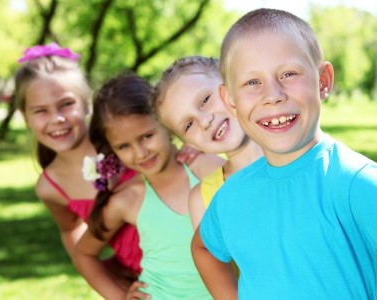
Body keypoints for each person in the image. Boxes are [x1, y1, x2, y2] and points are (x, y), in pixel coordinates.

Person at [191, 8, 377, 299]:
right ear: (229, 99)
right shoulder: (233, 194)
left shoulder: (353, 182)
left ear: (323, 80)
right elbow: (204, 249)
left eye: (288, 74)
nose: (272, 95)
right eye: (252, 82)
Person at [72, 73, 223, 299]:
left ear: (165, 123)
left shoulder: (206, 168)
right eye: (124, 146)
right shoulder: (129, 198)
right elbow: (83, 254)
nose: (140, 153)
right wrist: (120, 296)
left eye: (147, 136)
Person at [14, 43, 143, 283]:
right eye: (41, 110)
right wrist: (113, 286)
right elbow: (71, 231)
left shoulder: (125, 145)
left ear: (85, 103)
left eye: (66, 104)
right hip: (149, 284)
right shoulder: (50, 187)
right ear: (25, 117)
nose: (57, 118)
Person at [151, 56, 263, 228]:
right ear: (189, 144)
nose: (204, 121)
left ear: (230, 82)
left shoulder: (303, 153)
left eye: (205, 100)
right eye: (189, 125)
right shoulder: (203, 201)